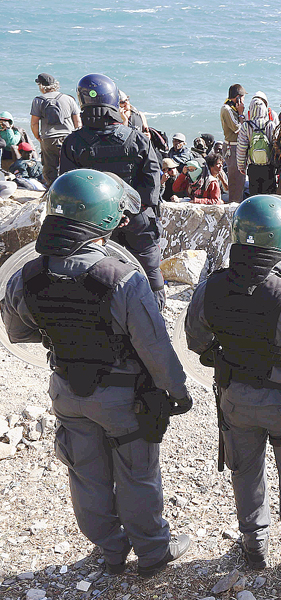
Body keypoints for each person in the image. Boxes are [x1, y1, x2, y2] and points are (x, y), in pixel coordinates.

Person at [2, 170, 193, 578]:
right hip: (122, 398)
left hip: (66, 391)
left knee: (85, 474)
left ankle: (109, 551)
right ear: (105, 219)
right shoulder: (122, 278)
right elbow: (154, 348)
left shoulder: (28, 275)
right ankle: (154, 552)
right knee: (137, 474)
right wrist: (177, 391)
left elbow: (18, 333)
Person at [184, 195, 281, 583]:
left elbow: (194, 339)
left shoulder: (210, 287)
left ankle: (254, 546)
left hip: (234, 398)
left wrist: (219, 356)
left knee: (245, 472)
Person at [60, 73, 166, 309]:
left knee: (97, 274)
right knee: (149, 268)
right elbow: (152, 185)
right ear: (113, 101)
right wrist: (130, 213)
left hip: (95, 225)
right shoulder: (137, 138)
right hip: (136, 218)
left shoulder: (73, 142)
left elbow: (68, 187)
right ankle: (156, 314)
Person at [30, 73, 81, 186]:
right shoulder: (68, 98)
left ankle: (51, 189)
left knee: (49, 167)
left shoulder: (38, 100)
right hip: (69, 137)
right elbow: (78, 122)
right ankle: (70, 188)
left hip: (49, 138)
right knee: (69, 164)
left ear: (41, 86)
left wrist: (38, 136)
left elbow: (34, 123)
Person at [237, 94, 277, 195]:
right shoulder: (270, 124)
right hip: (269, 167)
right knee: (269, 195)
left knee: (255, 195)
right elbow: (276, 146)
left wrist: (241, 166)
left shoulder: (246, 126)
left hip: (253, 167)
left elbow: (242, 148)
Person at [220, 84, 247, 204]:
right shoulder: (227, 109)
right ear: (238, 98)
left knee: (240, 180)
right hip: (233, 147)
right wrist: (241, 114)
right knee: (235, 180)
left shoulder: (233, 109)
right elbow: (239, 129)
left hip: (237, 146)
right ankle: (234, 207)